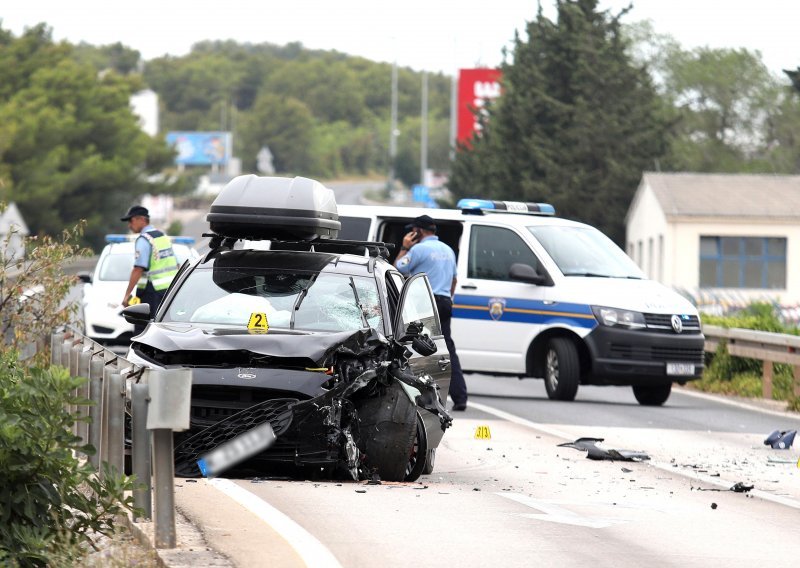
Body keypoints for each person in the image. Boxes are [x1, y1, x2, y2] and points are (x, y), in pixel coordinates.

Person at [395, 215, 468, 411]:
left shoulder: (418, 249)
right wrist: (447, 299)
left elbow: (397, 268)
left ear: (418, 231)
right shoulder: (448, 250)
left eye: (413, 230)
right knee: (447, 349)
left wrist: (404, 247)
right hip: (444, 302)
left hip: (426, 303)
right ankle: (460, 398)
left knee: (419, 348)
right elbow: (454, 280)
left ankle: (419, 398)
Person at [120, 205, 180, 334]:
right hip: (168, 291)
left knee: (144, 329)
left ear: (141, 219)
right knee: (161, 328)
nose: (129, 225)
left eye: (131, 221)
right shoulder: (162, 236)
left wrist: (127, 295)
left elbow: (138, 269)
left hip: (151, 292)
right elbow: (176, 264)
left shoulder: (144, 240)